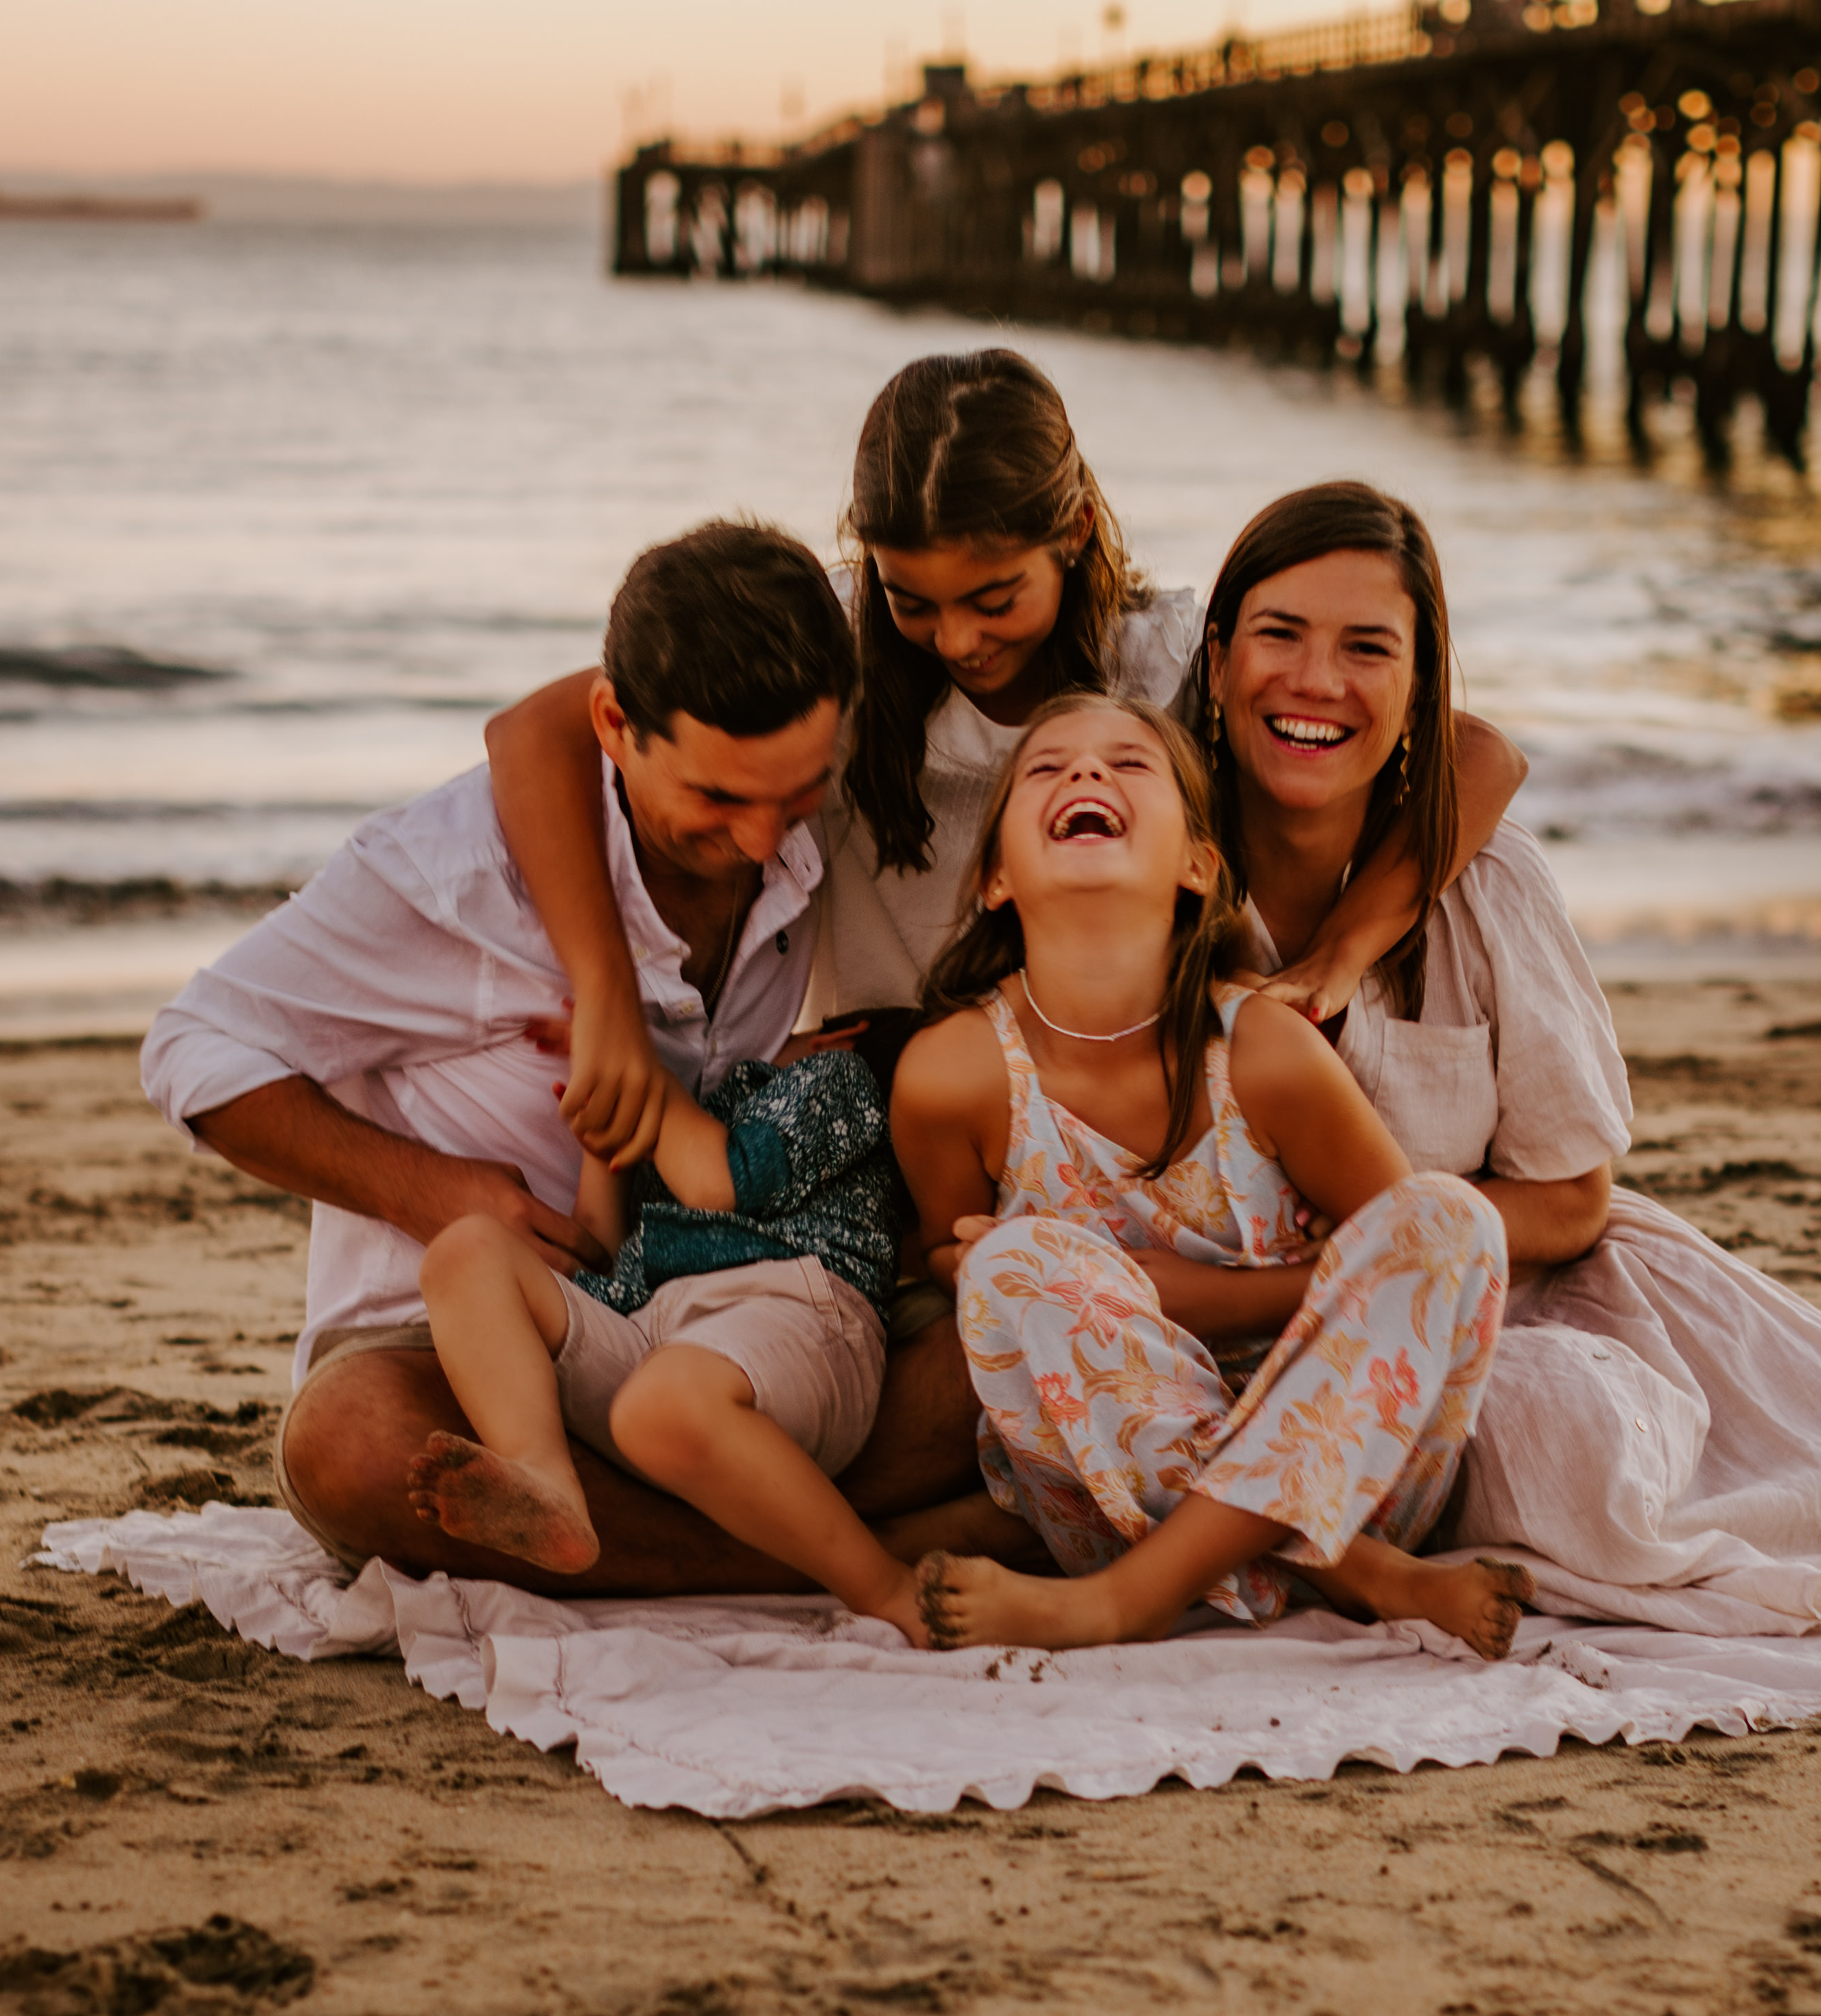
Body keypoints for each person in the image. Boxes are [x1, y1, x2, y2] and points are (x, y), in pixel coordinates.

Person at [1177, 484, 1821, 1625]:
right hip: (1229, 1321)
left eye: (1369, 648)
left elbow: (1570, 1201)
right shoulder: (1147, 880)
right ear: (1216, 660)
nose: (1317, 682)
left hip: (1514, 1304)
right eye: (1280, 635)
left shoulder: (1491, 885)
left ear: (1421, 689)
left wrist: (1399, 1250)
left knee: (1646, 1452)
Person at [138, 520, 970, 1591]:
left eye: (797, 794)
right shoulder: (452, 878)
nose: (764, 841)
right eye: (717, 800)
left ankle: (718, 1537)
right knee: (348, 1444)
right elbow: (192, 1046)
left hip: (739, 1331)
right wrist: (427, 1191)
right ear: (616, 727)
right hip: (497, 1347)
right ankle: (824, 1555)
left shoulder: (787, 782)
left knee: (998, 1353)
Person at [480, 349, 1531, 1180]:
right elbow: (534, 732)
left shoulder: (1154, 660)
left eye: (994, 599)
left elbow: (1478, 755)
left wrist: (1342, 954)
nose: (956, 640)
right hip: (899, 1109)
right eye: (912, 600)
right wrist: (605, 993)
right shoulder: (837, 652)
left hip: (1101, 1116)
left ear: (1073, 532)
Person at [886, 692, 1530, 1657]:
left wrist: (1199, 1295)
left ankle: (1125, 1603)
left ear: (1198, 866)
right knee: (1009, 1265)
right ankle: (1359, 1578)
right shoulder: (953, 1073)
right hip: (1110, 1492)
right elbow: (952, 1251)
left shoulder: (1261, 1048)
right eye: (1047, 767)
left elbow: (1404, 1273)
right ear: (994, 880)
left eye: (1128, 764)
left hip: (1352, 1472)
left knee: (1452, 1216)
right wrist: (1021, 1267)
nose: (1086, 773)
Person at [409, 1011, 930, 1644]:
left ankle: (886, 1587)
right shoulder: (694, 1128)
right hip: (656, 1338)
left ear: (835, 1035)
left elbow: (721, 1184)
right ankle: (543, 1475)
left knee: (661, 1403)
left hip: (792, 1309)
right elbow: (602, 1253)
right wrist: (604, 1141)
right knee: (464, 1252)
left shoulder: (840, 1076)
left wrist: (633, 1067)